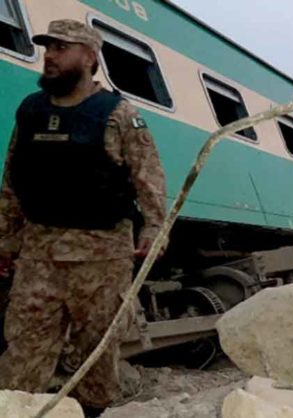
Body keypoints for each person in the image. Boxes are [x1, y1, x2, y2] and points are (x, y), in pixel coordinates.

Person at [0, 19, 166, 414]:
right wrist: (5, 239)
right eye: (48, 48)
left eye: (61, 48)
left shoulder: (119, 115)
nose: (49, 56)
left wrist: (156, 228)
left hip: (102, 259)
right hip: (39, 256)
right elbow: (12, 181)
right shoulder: (31, 111)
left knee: (96, 357)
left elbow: (150, 178)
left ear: (89, 56)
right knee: (22, 354)